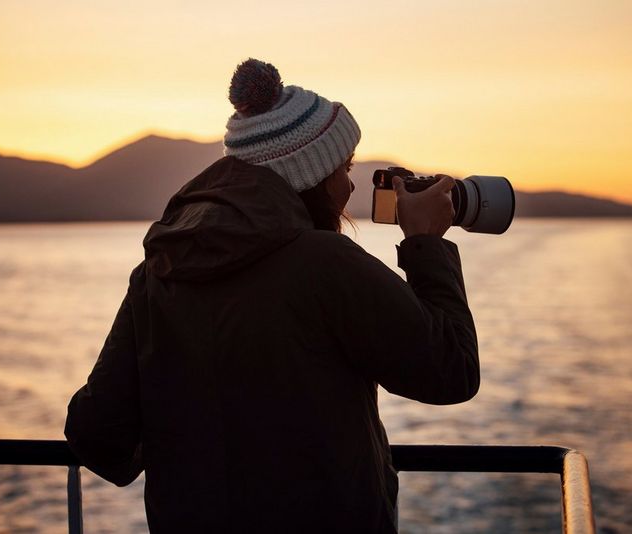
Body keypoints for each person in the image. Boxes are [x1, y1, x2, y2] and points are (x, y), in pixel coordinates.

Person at [64, 58, 479, 533]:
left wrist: (185, 438)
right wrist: (425, 243)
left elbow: (97, 435)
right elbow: (451, 370)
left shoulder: (158, 273)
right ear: (311, 176)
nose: (350, 185)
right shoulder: (325, 263)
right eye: (344, 168)